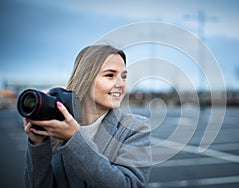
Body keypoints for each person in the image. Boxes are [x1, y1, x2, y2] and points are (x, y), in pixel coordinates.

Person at [23, 45, 152, 188]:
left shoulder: (135, 128)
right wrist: (38, 145)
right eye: (110, 75)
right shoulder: (57, 126)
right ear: (86, 79)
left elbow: (129, 185)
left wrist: (74, 138)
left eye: (124, 76)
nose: (121, 84)